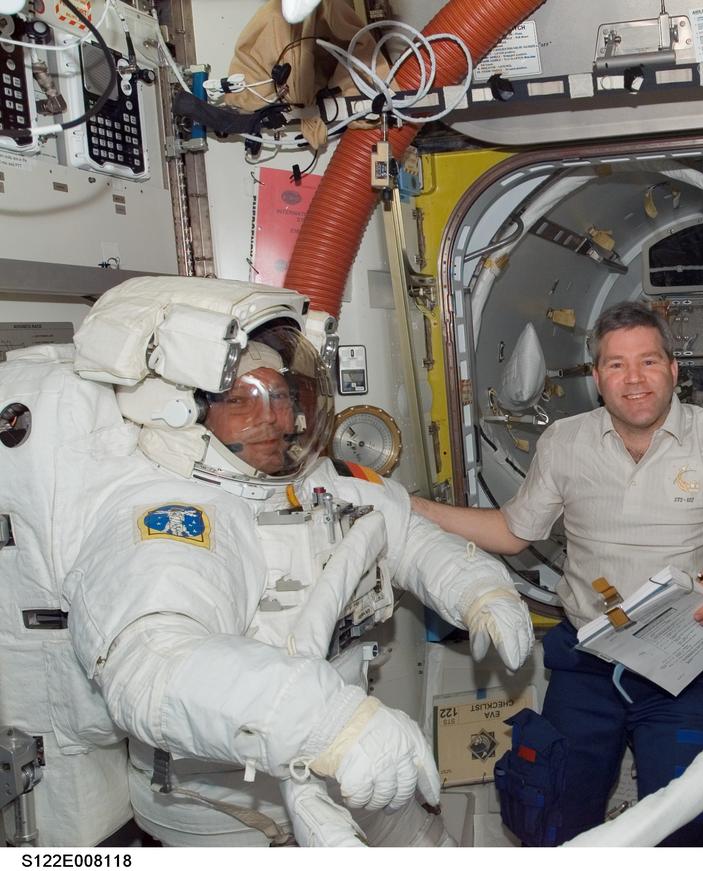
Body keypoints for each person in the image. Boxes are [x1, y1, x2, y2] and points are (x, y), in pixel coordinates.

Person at [62, 276, 533, 847]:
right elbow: (153, 667)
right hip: (228, 801)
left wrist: (480, 591)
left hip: (346, 757)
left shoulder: (312, 480)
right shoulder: (174, 515)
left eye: (280, 397)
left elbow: (402, 533)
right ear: (182, 413)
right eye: (241, 402)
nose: (274, 419)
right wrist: (329, 727)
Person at [415, 300, 703, 845]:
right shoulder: (565, 443)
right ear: (596, 377)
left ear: (674, 369)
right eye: (616, 365)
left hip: (679, 670)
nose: (633, 379)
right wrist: (412, 507)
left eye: (648, 362)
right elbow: (513, 532)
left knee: (683, 827)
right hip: (586, 664)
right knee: (559, 823)